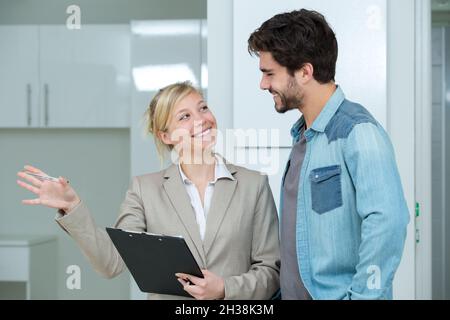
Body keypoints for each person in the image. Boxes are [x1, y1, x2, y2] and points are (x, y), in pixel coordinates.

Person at [16, 81, 280, 300]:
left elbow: (272, 271)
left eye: (203, 108)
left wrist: (225, 289)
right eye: (185, 116)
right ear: (165, 136)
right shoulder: (145, 189)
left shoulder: (253, 184)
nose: (202, 120)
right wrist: (73, 207)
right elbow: (112, 264)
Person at [247, 9, 409, 300]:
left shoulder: (357, 132)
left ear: (305, 72)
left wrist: (361, 297)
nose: (263, 84)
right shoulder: (302, 138)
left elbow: (389, 223)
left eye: (269, 73)